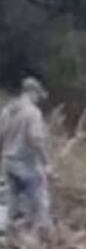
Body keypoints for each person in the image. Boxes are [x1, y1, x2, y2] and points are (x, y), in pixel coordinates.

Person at [0, 77, 53, 240]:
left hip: (8, 161)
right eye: (38, 95)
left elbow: (1, 136)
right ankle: (43, 235)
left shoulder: (7, 110)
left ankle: (9, 235)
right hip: (26, 163)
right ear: (32, 92)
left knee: (13, 200)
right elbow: (35, 138)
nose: (38, 99)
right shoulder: (33, 112)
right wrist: (47, 162)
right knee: (39, 197)